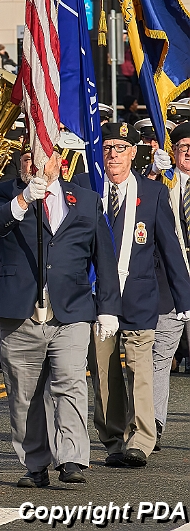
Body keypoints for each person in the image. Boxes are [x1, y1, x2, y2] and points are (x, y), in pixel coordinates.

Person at [0, 149, 121, 487]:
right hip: (20, 311)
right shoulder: (4, 192)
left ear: (59, 162)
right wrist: (23, 200)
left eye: (41, 156)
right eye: (26, 157)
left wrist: (108, 308)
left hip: (71, 308)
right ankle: (35, 464)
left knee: (70, 383)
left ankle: (71, 458)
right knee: (25, 394)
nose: (33, 164)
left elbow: (103, 256)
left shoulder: (85, 199)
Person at [88, 122, 190, 467]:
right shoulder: (88, 189)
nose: (113, 155)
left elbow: (170, 247)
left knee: (141, 370)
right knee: (104, 375)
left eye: (120, 148)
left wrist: (183, 297)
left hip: (140, 296)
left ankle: (142, 440)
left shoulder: (153, 192)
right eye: (107, 148)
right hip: (98, 299)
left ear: (133, 153)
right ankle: (113, 440)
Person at [151, 122, 190, 451]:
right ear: (173, 151)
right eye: (183, 146)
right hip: (170, 282)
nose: (188, 152)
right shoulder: (161, 183)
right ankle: (153, 424)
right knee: (160, 357)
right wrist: (153, 173)